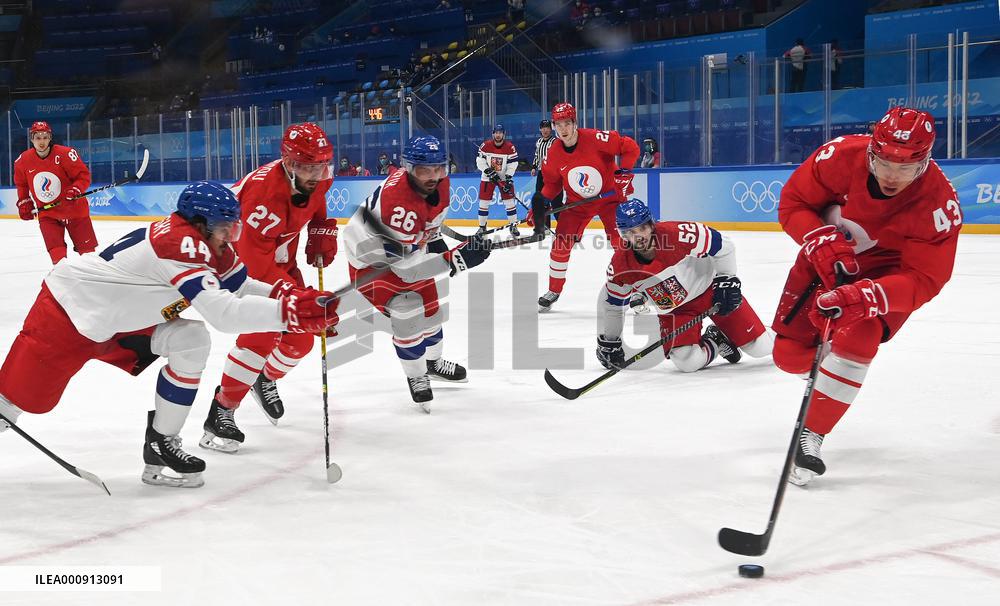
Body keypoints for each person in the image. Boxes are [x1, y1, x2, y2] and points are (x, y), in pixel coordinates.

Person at [0, 182, 339, 487]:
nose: (230, 237)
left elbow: (240, 286)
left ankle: (162, 443)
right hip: (68, 315)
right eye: (224, 229)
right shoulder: (180, 243)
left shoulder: (209, 243)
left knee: (191, 341)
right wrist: (290, 314)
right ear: (200, 225)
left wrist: (292, 298)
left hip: (119, 323)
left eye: (231, 228)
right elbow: (223, 313)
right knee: (12, 404)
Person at [771, 107, 961, 486]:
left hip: (886, 277)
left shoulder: (939, 204)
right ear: (872, 150)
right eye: (885, 162)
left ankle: (812, 433)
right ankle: (833, 365)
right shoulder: (838, 157)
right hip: (823, 260)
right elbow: (794, 203)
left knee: (861, 334)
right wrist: (820, 239)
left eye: (906, 167)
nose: (893, 176)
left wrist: (868, 296)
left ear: (925, 161)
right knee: (788, 358)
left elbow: (926, 278)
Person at [201, 123, 338, 453]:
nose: (314, 174)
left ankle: (264, 379)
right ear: (288, 163)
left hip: (278, 258)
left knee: (303, 336)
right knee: (263, 332)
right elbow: (251, 263)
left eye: (319, 166)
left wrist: (321, 231)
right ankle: (221, 411)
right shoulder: (264, 194)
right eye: (306, 166)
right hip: (234, 264)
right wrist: (298, 297)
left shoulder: (320, 176)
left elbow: (316, 204)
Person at [342, 135, 492, 411]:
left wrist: (436, 241)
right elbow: (407, 272)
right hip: (371, 263)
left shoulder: (440, 183)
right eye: (425, 170)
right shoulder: (398, 205)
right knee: (408, 311)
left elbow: (430, 222)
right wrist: (457, 260)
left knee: (432, 312)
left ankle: (433, 363)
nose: (434, 176)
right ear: (409, 168)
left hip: (407, 252)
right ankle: (417, 375)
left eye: (439, 168)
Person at [600, 199, 772, 374]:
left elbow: (724, 246)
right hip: (675, 312)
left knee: (760, 347)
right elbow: (613, 306)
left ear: (651, 225)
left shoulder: (678, 234)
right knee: (687, 361)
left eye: (642, 228)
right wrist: (610, 341)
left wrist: (727, 280)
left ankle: (790, 336)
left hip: (710, 293)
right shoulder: (620, 266)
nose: (638, 237)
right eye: (630, 232)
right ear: (622, 234)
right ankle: (717, 341)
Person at [531, 102, 640, 311]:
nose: (563, 129)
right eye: (558, 124)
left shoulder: (595, 138)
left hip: (610, 199)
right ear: (554, 126)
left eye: (566, 123)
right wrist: (539, 205)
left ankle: (635, 289)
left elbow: (630, 147)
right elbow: (553, 183)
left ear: (575, 123)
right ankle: (554, 290)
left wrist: (624, 172)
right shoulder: (553, 152)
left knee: (621, 242)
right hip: (577, 204)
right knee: (560, 245)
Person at [13, 121, 98, 264]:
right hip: (48, 214)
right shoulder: (22, 161)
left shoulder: (65, 154)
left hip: (75, 210)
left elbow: (83, 176)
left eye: (45, 137)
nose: (42, 141)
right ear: (32, 139)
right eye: (38, 137)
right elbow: (21, 184)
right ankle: (65, 283)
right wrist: (24, 201)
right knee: (58, 258)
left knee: (88, 255)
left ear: (50, 138)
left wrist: (76, 189)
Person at [475, 124, 520, 236]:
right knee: (483, 203)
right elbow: (479, 161)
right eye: (496, 132)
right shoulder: (485, 146)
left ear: (504, 134)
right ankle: (482, 227)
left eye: (500, 132)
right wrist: (488, 171)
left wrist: (509, 177)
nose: (498, 135)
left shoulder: (510, 147)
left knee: (509, 202)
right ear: (493, 134)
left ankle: (513, 226)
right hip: (487, 178)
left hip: (503, 178)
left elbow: (513, 163)